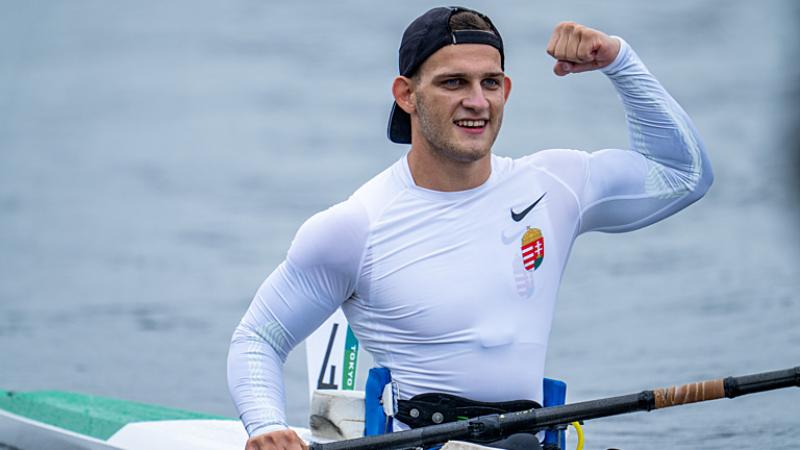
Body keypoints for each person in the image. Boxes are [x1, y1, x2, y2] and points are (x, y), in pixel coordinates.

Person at [227, 6, 713, 450]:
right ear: (406, 95)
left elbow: (684, 175)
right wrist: (267, 426)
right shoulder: (355, 226)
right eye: (453, 83)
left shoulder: (556, 185)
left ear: (507, 89)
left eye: (491, 83)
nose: (477, 101)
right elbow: (258, 339)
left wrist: (618, 61)